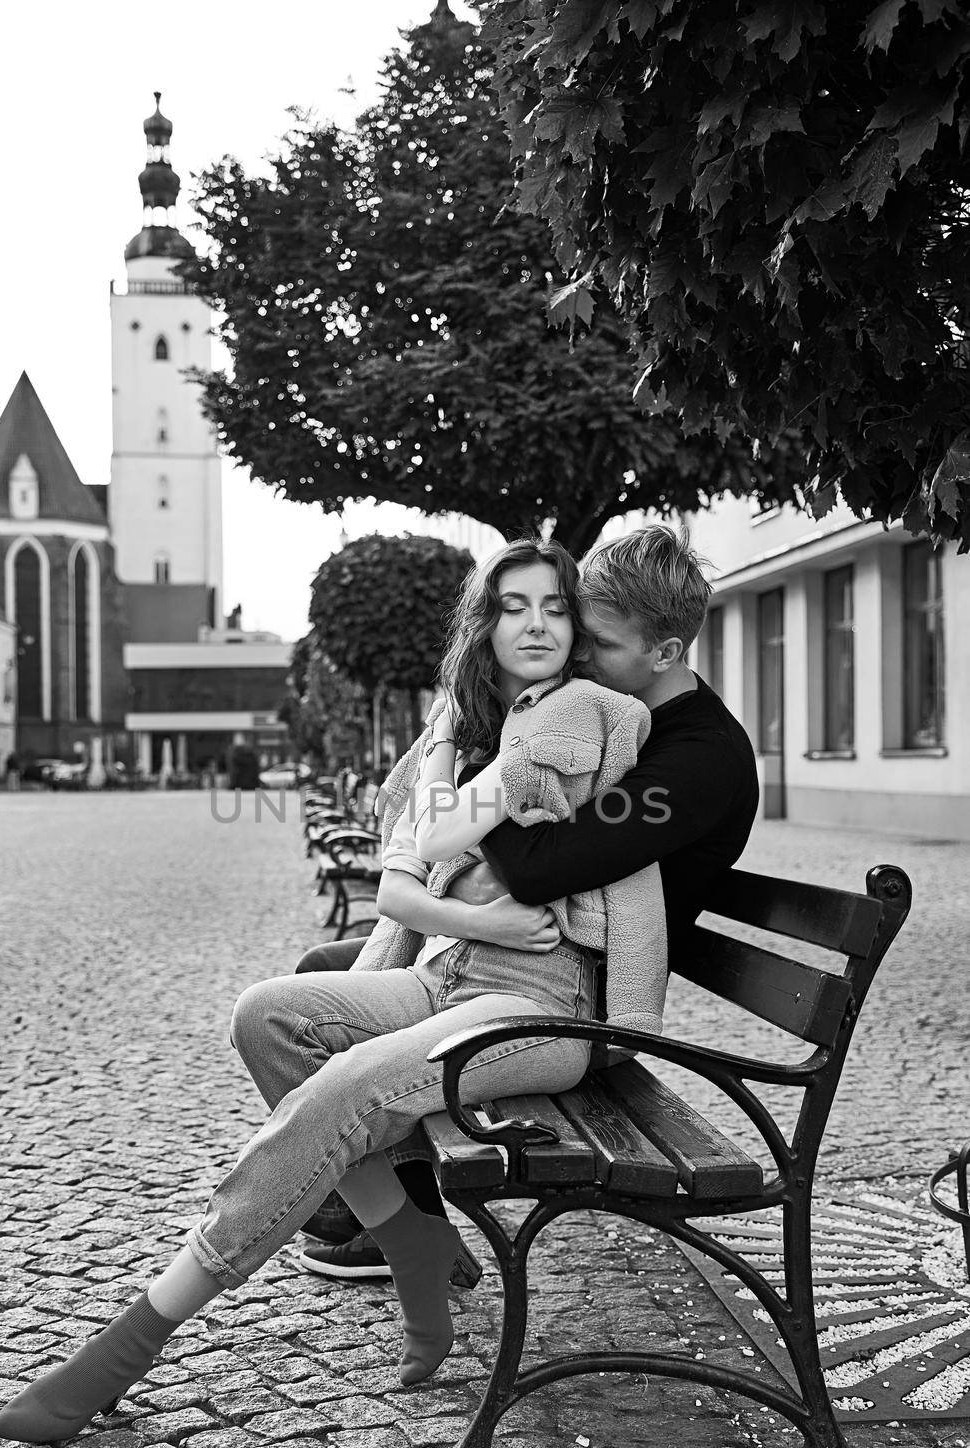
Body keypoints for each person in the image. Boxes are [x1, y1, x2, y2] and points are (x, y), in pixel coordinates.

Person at [0, 537, 667, 1446]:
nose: (536, 624)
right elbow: (405, 874)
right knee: (270, 1017)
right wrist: (455, 819)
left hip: (541, 1006)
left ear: (575, 628)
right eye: (514, 607)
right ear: (487, 625)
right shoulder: (483, 720)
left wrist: (441, 772)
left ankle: (130, 1342)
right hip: (452, 976)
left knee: (341, 1093)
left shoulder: (574, 709)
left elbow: (430, 835)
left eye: (554, 606)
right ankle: (411, 1239)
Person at [297, 523, 760, 1278]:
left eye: (600, 644)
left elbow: (540, 867)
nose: (579, 656)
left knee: (337, 1011)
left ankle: (374, 1214)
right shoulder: (601, 708)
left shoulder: (696, 760)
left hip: (578, 984)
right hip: (521, 944)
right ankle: (383, 1210)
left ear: (666, 653)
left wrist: (493, 765)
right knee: (322, 968)